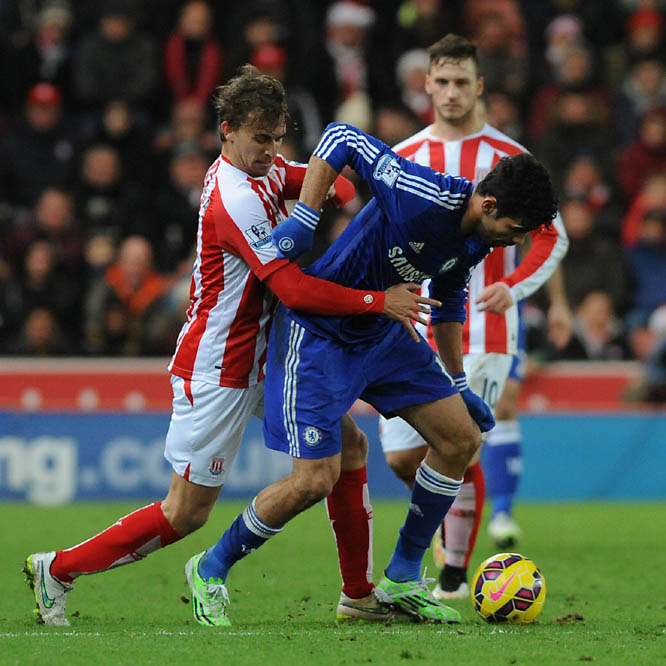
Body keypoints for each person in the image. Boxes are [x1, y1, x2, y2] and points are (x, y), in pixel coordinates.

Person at [23, 65, 433, 627]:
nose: (270, 150)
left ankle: (358, 594)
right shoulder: (232, 198)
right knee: (185, 513)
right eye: (259, 138)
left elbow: (334, 182)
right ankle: (59, 570)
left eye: (277, 138)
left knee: (350, 449)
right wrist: (375, 301)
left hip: (268, 360)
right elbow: (290, 287)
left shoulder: (263, 170)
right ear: (227, 131)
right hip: (220, 367)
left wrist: (314, 196)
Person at [183, 120, 558, 626]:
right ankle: (211, 567)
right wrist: (308, 216)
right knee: (314, 479)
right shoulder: (421, 194)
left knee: (460, 438)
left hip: (383, 329)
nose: (513, 241)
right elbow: (340, 137)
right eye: (515, 230)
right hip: (320, 334)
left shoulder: (478, 239)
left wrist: (458, 383)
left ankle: (403, 577)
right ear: (489, 205)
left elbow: (447, 306)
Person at [378, 33, 570, 599]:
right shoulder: (407, 155)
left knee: (458, 444)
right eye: (443, 81)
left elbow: (550, 239)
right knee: (401, 458)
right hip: (412, 328)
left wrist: (513, 285)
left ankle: (454, 576)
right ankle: (450, 536)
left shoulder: (510, 159)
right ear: (428, 84)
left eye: (463, 81)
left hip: (483, 327)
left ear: (479, 86)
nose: (453, 92)